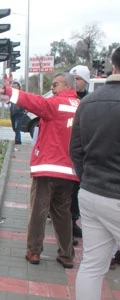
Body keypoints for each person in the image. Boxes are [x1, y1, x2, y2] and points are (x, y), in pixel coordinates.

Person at [0, 72, 79, 269]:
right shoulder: (81, 107)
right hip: (69, 173)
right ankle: (66, 255)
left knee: (39, 212)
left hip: (47, 170)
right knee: (63, 213)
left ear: (66, 85)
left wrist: (8, 91)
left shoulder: (56, 104)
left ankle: (33, 251)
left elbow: (32, 101)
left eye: (55, 84)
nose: (53, 89)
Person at [72, 47, 120, 300]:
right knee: (92, 265)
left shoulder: (88, 103)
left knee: (92, 265)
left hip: (91, 195)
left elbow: (75, 150)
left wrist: (87, 179)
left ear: (112, 65)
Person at [68, 65, 91, 241]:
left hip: (82, 153)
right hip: (65, 152)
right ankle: (65, 223)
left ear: (86, 81)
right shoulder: (65, 99)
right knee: (65, 191)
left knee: (77, 191)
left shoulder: (90, 101)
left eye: (79, 79)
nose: (75, 83)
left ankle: (73, 220)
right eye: (73, 79)